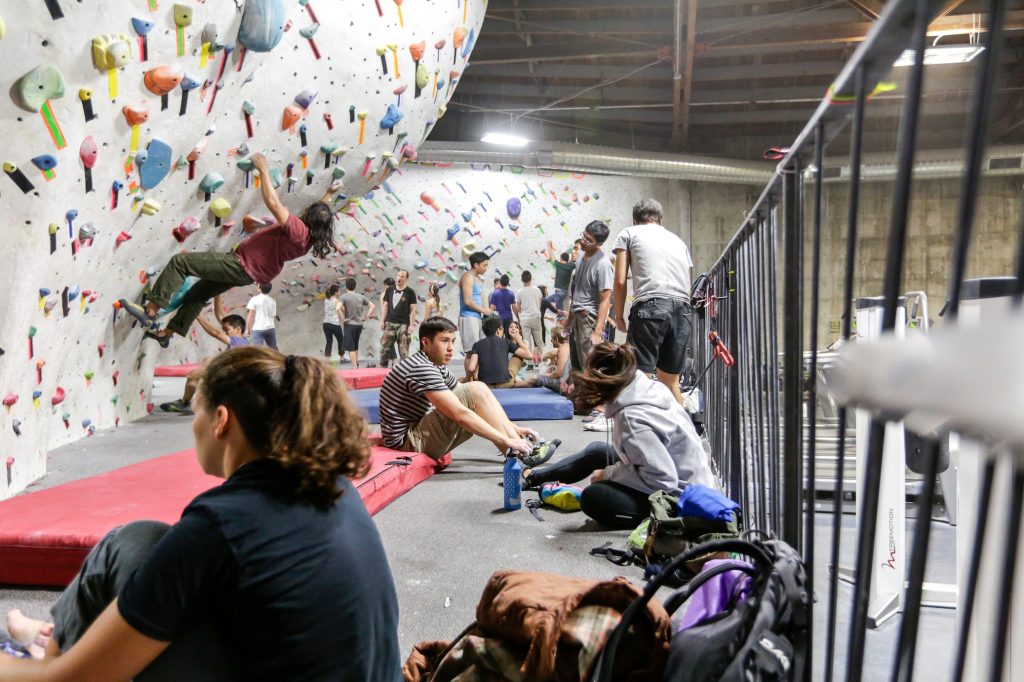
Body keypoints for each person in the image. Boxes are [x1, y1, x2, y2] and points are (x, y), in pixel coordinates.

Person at [2, 347, 401, 680]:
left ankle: (54, 648)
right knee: (136, 543)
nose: (195, 425)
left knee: (131, 544)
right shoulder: (333, 486)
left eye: (198, 413)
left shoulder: (219, 525)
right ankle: (59, 639)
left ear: (222, 420)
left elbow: (68, 681)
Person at [120, 153, 342, 348]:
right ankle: (166, 334)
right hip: (250, 272)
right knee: (199, 293)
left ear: (308, 218)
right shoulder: (309, 238)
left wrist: (263, 170)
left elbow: (274, 204)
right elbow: (319, 215)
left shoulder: (298, 229)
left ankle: (150, 310)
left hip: (241, 264)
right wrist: (328, 194)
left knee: (181, 263)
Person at [524, 343, 715, 529]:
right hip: (685, 478)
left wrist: (608, 474)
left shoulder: (632, 420)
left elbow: (664, 479)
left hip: (680, 500)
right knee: (596, 451)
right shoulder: (646, 387)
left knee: (593, 498)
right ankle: (532, 477)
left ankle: (662, 522)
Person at [378, 317, 559, 465]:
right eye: (444, 341)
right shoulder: (421, 367)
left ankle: (520, 448)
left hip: (416, 434)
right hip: (407, 444)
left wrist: (514, 428)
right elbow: (460, 413)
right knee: (475, 389)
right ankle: (518, 451)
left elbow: (467, 395)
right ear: (425, 342)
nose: (450, 348)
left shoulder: (434, 365)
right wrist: (506, 440)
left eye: (452, 341)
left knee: (478, 387)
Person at [613, 198, 695, 406]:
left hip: (651, 307)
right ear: (661, 219)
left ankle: (639, 432)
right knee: (670, 381)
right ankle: (686, 433)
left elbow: (620, 280)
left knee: (639, 378)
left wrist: (618, 315)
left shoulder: (628, 233)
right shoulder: (678, 241)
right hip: (683, 310)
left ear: (634, 220)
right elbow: (687, 280)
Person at [160, 295, 250, 414]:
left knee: (196, 374)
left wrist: (198, 316)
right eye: (225, 330)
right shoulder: (241, 339)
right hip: (231, 375)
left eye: (227, 330)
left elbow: (216, 333)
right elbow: (221, 316)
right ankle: (188, 403)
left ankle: (187, 403)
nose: (225, 332)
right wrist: (218, 295)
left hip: (232, 377)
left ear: (238, 330)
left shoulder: (239, 341)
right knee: (200, 368)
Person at [566, 221, 614, 374]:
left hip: (589, 318)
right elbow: (577, 291)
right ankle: (581, 396)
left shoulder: (603, 264)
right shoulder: (580, 256)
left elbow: (605, 299)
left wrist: (598, 332)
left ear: (599, 243)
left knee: (590, 365)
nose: (583, 241)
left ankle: (596, 397)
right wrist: (569, 320)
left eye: (589, 240)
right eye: (584, 236)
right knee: (577, 364)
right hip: (577, 315)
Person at [467, 317, 540, 389]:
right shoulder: (505, 342)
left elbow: (471, 368)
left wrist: (468, 379)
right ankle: (521, 382)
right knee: (518, 356)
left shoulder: (477, 344)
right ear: (498, 330)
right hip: (505, 383)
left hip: (485, 386)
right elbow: (529, 356)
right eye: (502, 329)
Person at [458, 252, 490, 379]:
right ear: (476, 265)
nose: (486, 268)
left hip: (477, 317)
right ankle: (469, 380)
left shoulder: (478, 279)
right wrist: (484, 310)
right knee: (471, 352)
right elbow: (467, 301)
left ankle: (476, 379)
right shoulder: (468, 277)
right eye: (484, 265)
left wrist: (487, 311)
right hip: (468, 317)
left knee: (479, 351)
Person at [379, 270, 417, 368]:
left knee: (403, 350)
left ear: (406, 279)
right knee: (384, 348)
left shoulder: (410, 292)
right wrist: (382, 321)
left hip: (403, 324)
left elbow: (413, 310)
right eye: (398, 276)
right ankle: (382, 371)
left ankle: (404, 373)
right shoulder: (390, 290)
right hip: (390, 323)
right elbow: (385, 306)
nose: (399, 278)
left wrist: (412, 325)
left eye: (402, 276)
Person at [341, 277, 375, 368]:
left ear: (346, 286)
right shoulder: (361, 296)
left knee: (350, 348)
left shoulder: (343, 297)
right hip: (359, 325)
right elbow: (372, 306)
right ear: (355, 286)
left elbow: (337, 308)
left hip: (349, 325)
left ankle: (354, 367)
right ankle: (357, 363)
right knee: (355, 345)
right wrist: (366, 317)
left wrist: (343, 319)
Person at [543, 240, 579, 312]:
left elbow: (553, 257)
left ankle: (562, 317)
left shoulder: (559, 265)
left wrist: (548, 246)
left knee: (559, 311)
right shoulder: (570, 266)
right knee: (546, 301)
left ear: (561, 258)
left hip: (559, 292)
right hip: (563, 292)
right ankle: (561, 316)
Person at [514, 271, 544, 354]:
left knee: (526, 342)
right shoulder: (537, 290)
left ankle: (529, 362)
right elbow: (539, 304)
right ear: (531, 279)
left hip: (524, 318)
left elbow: (518, 308)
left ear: (522, 280)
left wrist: (523, 313)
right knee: (539, 341)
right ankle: (546, 361)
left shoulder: (519, 292)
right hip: (535, 317)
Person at [245, 283, 278, 350]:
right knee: (274, 348)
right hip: (270, 328)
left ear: (259, 288)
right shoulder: (273, 301)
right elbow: (273, 315)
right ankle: (280, 359)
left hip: (258, 329)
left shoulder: (254, 299)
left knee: (257, 351)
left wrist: (247, 329)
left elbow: (250, 316)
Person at [322, 284, 345, 360]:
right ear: (335, 293)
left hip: (325, 323)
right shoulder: (337, 301)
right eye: (339, 291)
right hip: (334, 323)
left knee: (329, 341)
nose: (339, 292)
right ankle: (341, 357)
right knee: (341, 339)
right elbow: (343, 310)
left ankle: (327, 359)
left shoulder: (325, 300)